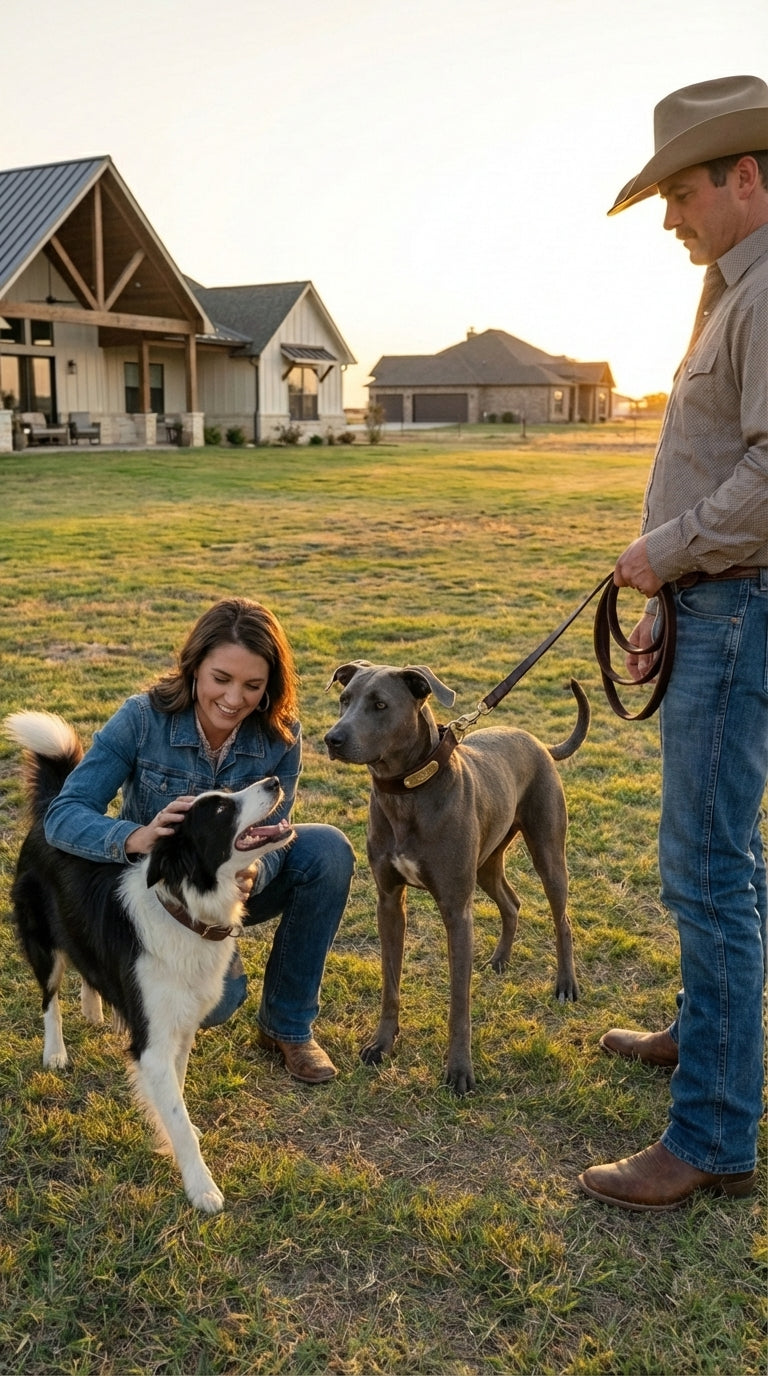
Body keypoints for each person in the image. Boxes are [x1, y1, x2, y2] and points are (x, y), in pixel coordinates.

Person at [578, 74, 768, 1210]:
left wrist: (668, 554)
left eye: (681, 192)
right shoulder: (730, 288)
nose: (669, 217)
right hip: (716, 601)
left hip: (740, 606)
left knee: (708, 870)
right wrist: (664, 592)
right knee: (718, 860)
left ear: (746, 178)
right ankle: (705, 1038)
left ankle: (710, 1132)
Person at [44, 597, 355, 1085]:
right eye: (221, 679)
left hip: (227, 890)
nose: (234, 699)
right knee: (214, 1006)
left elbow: (277, 827)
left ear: (270, 686)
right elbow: (63, 816)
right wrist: (136, 836)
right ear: (194, 669)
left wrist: (253, 869)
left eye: (253, 686)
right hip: (159, 901)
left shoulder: (281, 734)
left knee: (328, 850)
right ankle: (147, 967)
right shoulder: (142, 718)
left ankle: (288, 1028)